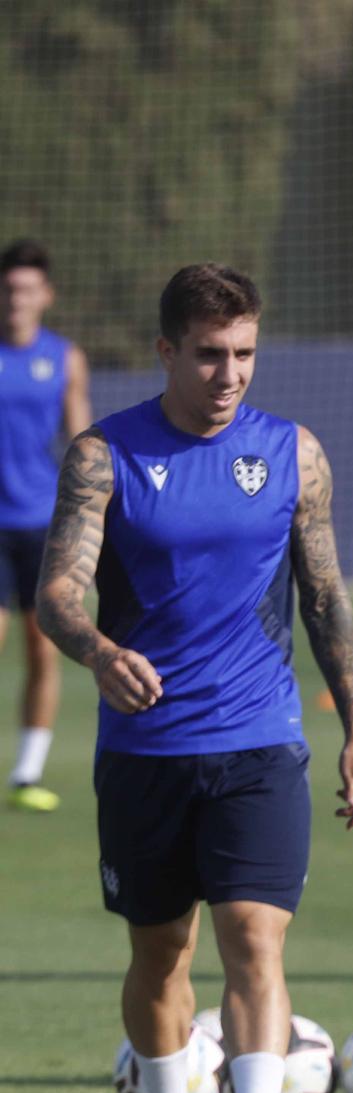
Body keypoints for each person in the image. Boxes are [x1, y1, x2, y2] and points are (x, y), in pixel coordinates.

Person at [36, 264, 353, 1093]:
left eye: (245, 354)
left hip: (261, 738)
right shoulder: (104, 456)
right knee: (160, 954)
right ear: (165, 351)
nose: (230, 373)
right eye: (209, 355)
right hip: (146, 751)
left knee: (255, 941)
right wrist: (101, 653)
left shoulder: (293, 454)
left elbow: (325, 596)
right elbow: (58, 592)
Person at [0, 240, 92, 811]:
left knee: (42, 647)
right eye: (9, 288)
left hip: (40, 523)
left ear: (46, 296)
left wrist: (89, 514)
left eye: (28, 289)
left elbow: (82, 447)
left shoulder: (64, 359)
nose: (17, 298)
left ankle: (27, 774)